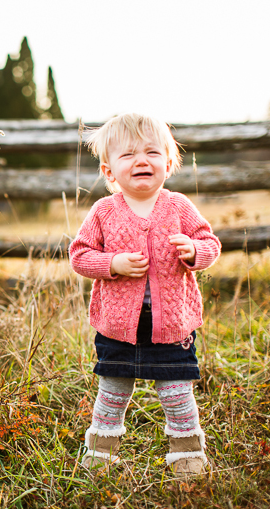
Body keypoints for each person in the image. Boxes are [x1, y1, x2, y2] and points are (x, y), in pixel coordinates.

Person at [69, 113, 221, 475]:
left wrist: (194, 252)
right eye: (128, 155)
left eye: (152, 152)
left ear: (168, 164)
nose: (141, 160)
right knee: (113, 391)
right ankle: (101, 454)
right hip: (118, 326)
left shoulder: (179, 206)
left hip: (171, 324)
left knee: (176, 393)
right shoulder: (104, 211)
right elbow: (80, 255)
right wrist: (112, 264)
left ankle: (187, 454)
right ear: (109, 172)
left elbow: (210, 243)